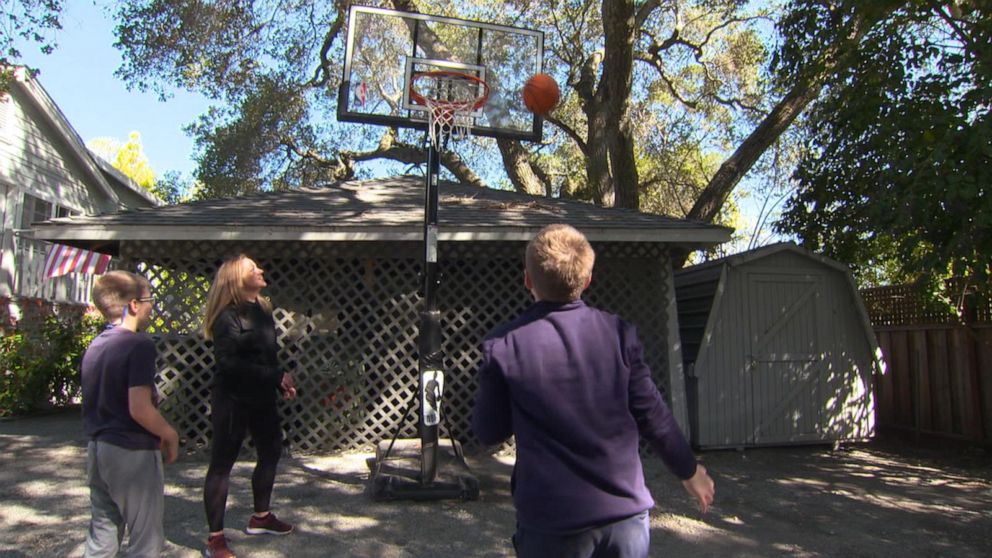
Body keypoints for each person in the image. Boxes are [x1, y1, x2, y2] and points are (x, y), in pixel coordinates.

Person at [472, 224, 715, 558]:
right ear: (587, 280)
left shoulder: (503, 345)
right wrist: (690, 471)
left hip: (552, 522)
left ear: (527, 280)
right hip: (625, 519)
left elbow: (488, 432)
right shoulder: (619, 334)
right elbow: (653, 415)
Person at [200, 255, 297, 558]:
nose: (261, 270)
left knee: (271, 451)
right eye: (253, 269)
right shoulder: (226, 316)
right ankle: (215, 539)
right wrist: (275, 375)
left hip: (262, 396)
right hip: (232, 398)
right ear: (235, 279)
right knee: (222, 464)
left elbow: (266, 355)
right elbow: (228, 364)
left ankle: (261, 518)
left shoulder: (263, 309)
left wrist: (281, 381)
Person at [81, 270, 180, 557]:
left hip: (98, 449)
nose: (152, 306)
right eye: (149, 300)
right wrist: (169, 433)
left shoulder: (96, 345)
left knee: (103, 532)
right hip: (130, 450)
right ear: (134, 305)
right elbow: (138, 407)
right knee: (145, 539)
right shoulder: (138, 345)